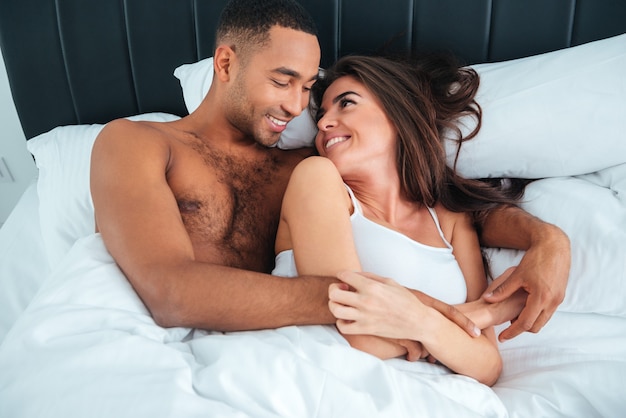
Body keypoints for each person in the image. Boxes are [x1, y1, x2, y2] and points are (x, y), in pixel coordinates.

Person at [90, 0, 569, 341]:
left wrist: (547, 241)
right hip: (186, 350)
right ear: (225, 63)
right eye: (282, 81)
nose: (297, 107)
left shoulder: (309, 166)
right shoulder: (138, 144)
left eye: (306, 88)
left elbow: (447, 207)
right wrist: (389, 310)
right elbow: (171, 292)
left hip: (295, 354)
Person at [272, 54, 528, 385]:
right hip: (326, 379)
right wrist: (482, 316)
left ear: (397, 111)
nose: (323, 124)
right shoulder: (316, 176)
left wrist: (424, 324)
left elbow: (487, 363)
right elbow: (353, 333)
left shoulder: (449, 219)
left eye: (346, 104)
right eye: (321, 116)